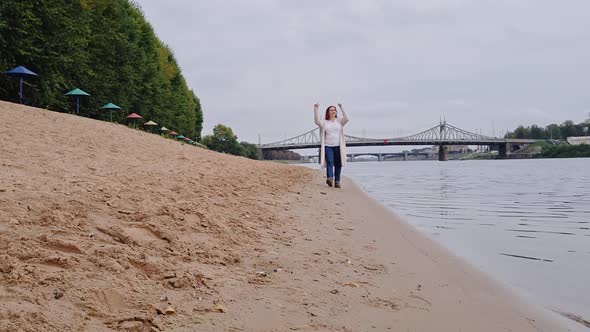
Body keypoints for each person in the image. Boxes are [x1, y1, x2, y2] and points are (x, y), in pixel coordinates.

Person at [313, 102, 349, 188]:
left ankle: (337, 181)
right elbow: (316, 121)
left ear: (336, 112)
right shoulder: (325, 122)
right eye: (331, 110)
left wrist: (341, 107)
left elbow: (347, 118)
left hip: (338, 146)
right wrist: (316, 109)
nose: (333, 111)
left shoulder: (340, 121)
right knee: (330, 162)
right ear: (328, 112)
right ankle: (330, 178)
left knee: (338, 164)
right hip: (328, 146)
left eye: (334, 110)